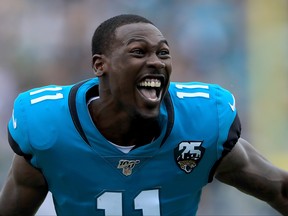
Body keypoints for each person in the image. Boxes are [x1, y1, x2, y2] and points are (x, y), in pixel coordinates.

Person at [0, 14, 287, 216]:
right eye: (139, 52)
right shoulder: (48, 127)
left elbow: (279, 190)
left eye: (163, 53)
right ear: (101, 65)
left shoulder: (201, 123)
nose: (156, 62)